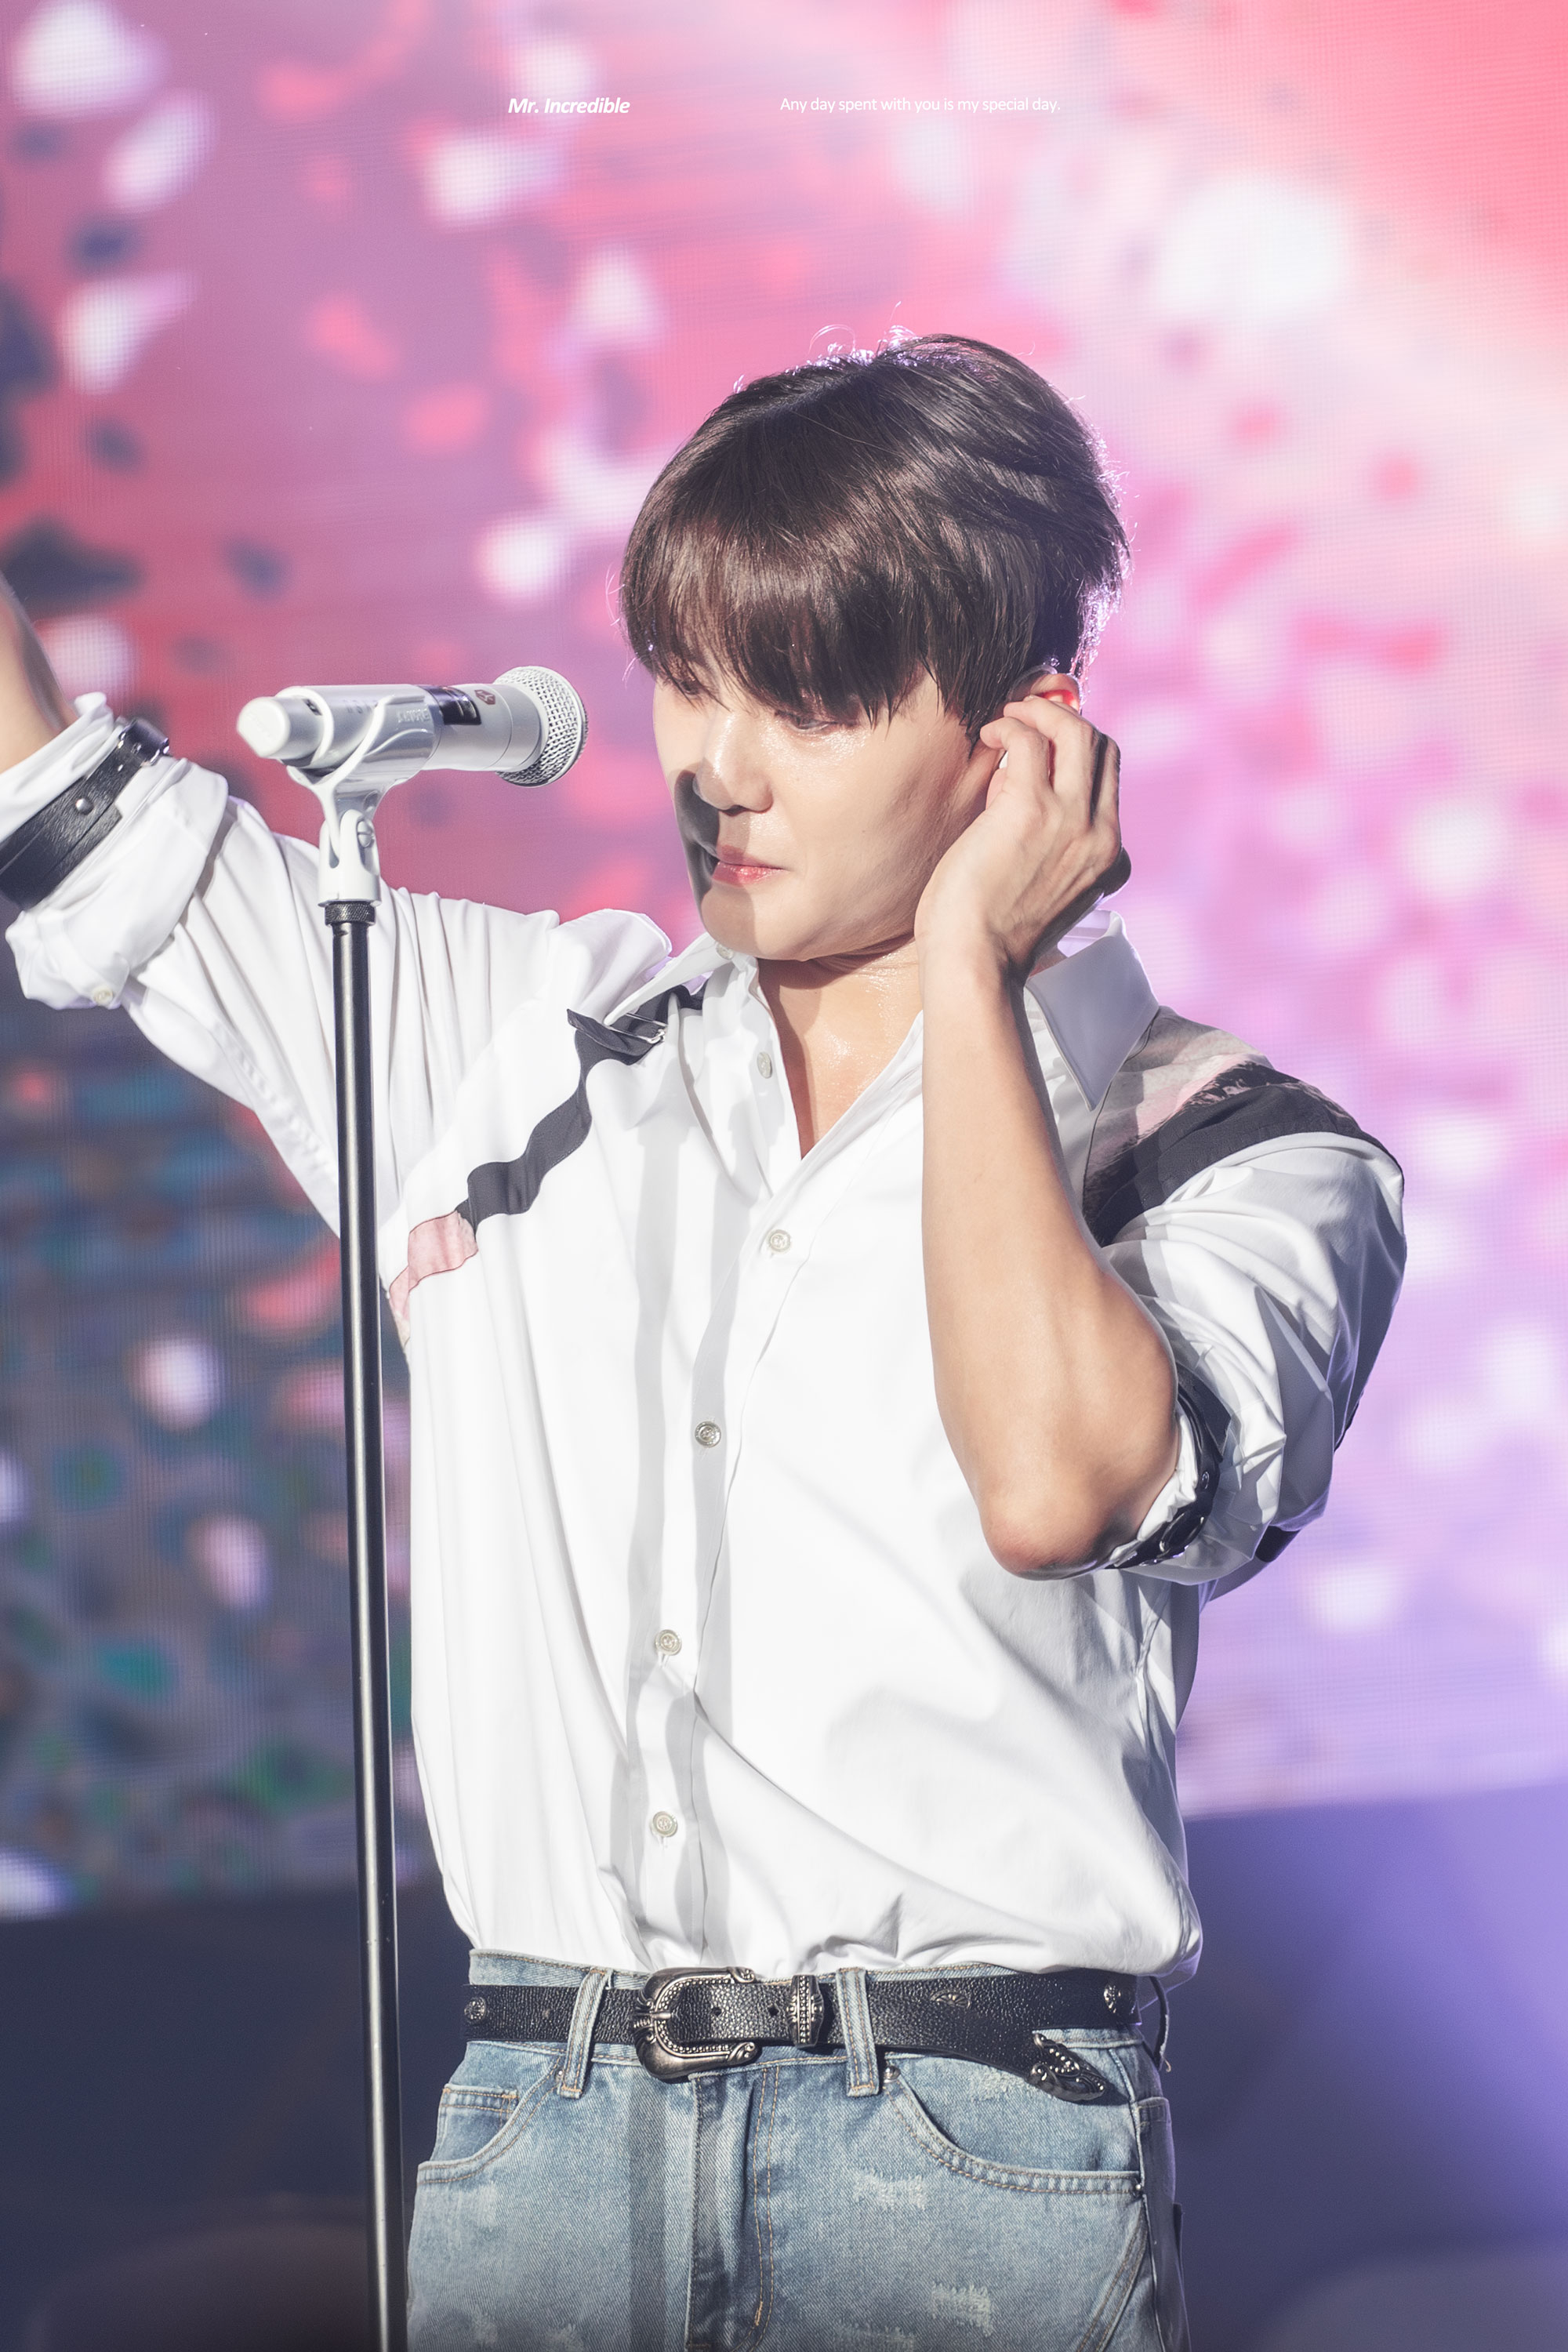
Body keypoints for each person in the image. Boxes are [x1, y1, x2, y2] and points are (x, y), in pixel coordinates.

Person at [0, 334, 1403, 2350]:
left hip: (967, 2148)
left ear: (1025, 736)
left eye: (805, 703)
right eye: (687, 679)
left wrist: (969, 968)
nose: (718, 768)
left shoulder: (1236, 1150)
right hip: (544, 2127)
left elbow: (1057, 1484)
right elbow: (67, 812)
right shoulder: (515, 1046)